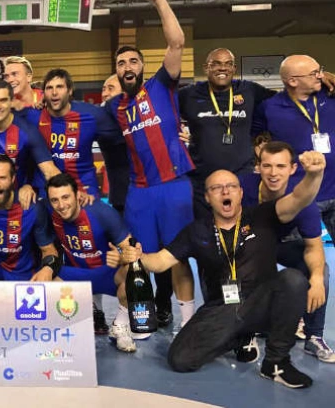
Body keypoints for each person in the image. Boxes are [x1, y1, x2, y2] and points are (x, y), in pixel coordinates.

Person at [125, 151, 326, 388]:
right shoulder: (196, 231)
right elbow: (160, 261)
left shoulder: (264, 214)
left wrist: (314, 175)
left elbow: (300, 198)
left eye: (231, 186)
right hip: (223, 307)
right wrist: (138, 258)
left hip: (263, 303)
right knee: (180, 359)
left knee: (293, 279)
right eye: (216, 188)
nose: (225, 191)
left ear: (240, 193)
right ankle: (239, 336)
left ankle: (276, 362)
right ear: (207, 198)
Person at [101, 0, 195, 329]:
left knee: (178, 258)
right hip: (138, 193)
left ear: (142, 66)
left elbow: (177, 42)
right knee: (133, 257)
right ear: (116, 71)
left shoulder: (161, 85)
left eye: (133, 60)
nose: (127, 66)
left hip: (173, 186)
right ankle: (128, 322)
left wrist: (159, 0)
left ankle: (187, 323)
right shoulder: (114, 108)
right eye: (120, 63)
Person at [239, 141, 333, 363]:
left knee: (320, 272)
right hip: (250, 242)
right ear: (258, 167)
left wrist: (316, 280)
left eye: (280, 166)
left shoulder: (305, 203)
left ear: (292, 169)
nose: (273, 173)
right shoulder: (242, 188)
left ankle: (314, 336)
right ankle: (244, 328)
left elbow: (314, 246)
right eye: (267, 166)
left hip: (285, 243)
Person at [179, 48, 278, 220]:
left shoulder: (249, 90)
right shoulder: (189, 94)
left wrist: (322, 80)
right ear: (206, 68)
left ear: (234, 69)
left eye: (228, 64)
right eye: (216, 63)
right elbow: (159, 106)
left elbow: (285, 99)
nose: (222, 68)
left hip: (242, 176)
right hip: (202, 179)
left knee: (245, 226)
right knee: (206, 229)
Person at [45, 173, 140, 351]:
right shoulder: (48, 212)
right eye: (55, 200)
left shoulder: (102, 212)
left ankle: (120, 326)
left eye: (66, 197)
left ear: (77, 195)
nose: (61, 205)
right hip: (75, 275)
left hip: (106, 273)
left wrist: (121, 256)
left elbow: (132, 249)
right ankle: (67, 325)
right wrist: (26, 188)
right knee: (43, 278)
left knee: (137, 272)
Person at [253, 55, 335, 261]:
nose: (320, 76)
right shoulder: (269, 107)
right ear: (292, 81)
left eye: (320, 70)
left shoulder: (331, 94)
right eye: (314, 73)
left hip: (334, 187)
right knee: (303, 260)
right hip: (299, 194)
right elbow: (255, 137)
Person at [26, 68, 118, 199]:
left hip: (85, 192)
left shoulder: (91, 115)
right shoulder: (33, 117)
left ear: (69, 91)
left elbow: (122, 134)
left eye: (59, 87)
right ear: (43, 93)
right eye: (49, 88)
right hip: (45, 193)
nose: (54, 92)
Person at [98, 74, 129, 216]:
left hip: (148, 193)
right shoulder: (99, 119)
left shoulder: (139, 117)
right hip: (120, 198)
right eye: (103, 89)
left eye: (110, 88)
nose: (105, 93)